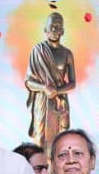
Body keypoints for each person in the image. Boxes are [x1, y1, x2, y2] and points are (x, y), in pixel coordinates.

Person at [25, 12, 76, 152]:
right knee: (39, 143)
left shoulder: (67, 54)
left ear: (63, 31)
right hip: (42, 102)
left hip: (59, 103)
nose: (54, 30)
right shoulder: (37, 51)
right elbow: (29, 82)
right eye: (52, 26)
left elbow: (72, 84)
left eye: (58, 27)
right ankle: (40, 172)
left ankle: (56, 173)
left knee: (59, 144)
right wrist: (44, 88)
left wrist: (57, 91)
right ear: (45, 29)